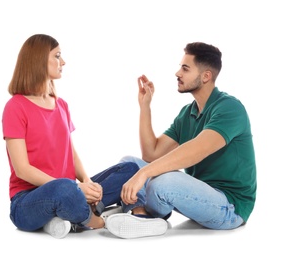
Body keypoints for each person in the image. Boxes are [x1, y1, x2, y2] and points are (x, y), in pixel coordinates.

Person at [105, 42, 257, 239]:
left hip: (229, 207)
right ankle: (140, 214)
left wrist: (144, 174)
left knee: (162, 183)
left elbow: (197, 150)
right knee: (130, 163)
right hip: (200, 196)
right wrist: (145, 107)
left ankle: (141, 213)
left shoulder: (230, 108)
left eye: (185, 68)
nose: (178, 73)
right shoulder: (188, 113)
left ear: (206, 76)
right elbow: (151, 153)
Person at [2, 34, 147, 239]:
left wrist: (88, 183)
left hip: (72, 190)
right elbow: (22, 169)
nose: (63, 62)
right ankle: (97, 221)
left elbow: (71, 153)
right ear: (39, 59)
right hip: (28, 201)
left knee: (132, 169)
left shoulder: (61, 105)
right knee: (64, 189)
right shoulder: (15, 107)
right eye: (57, 56)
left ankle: (75, 215)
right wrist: (76, 188)